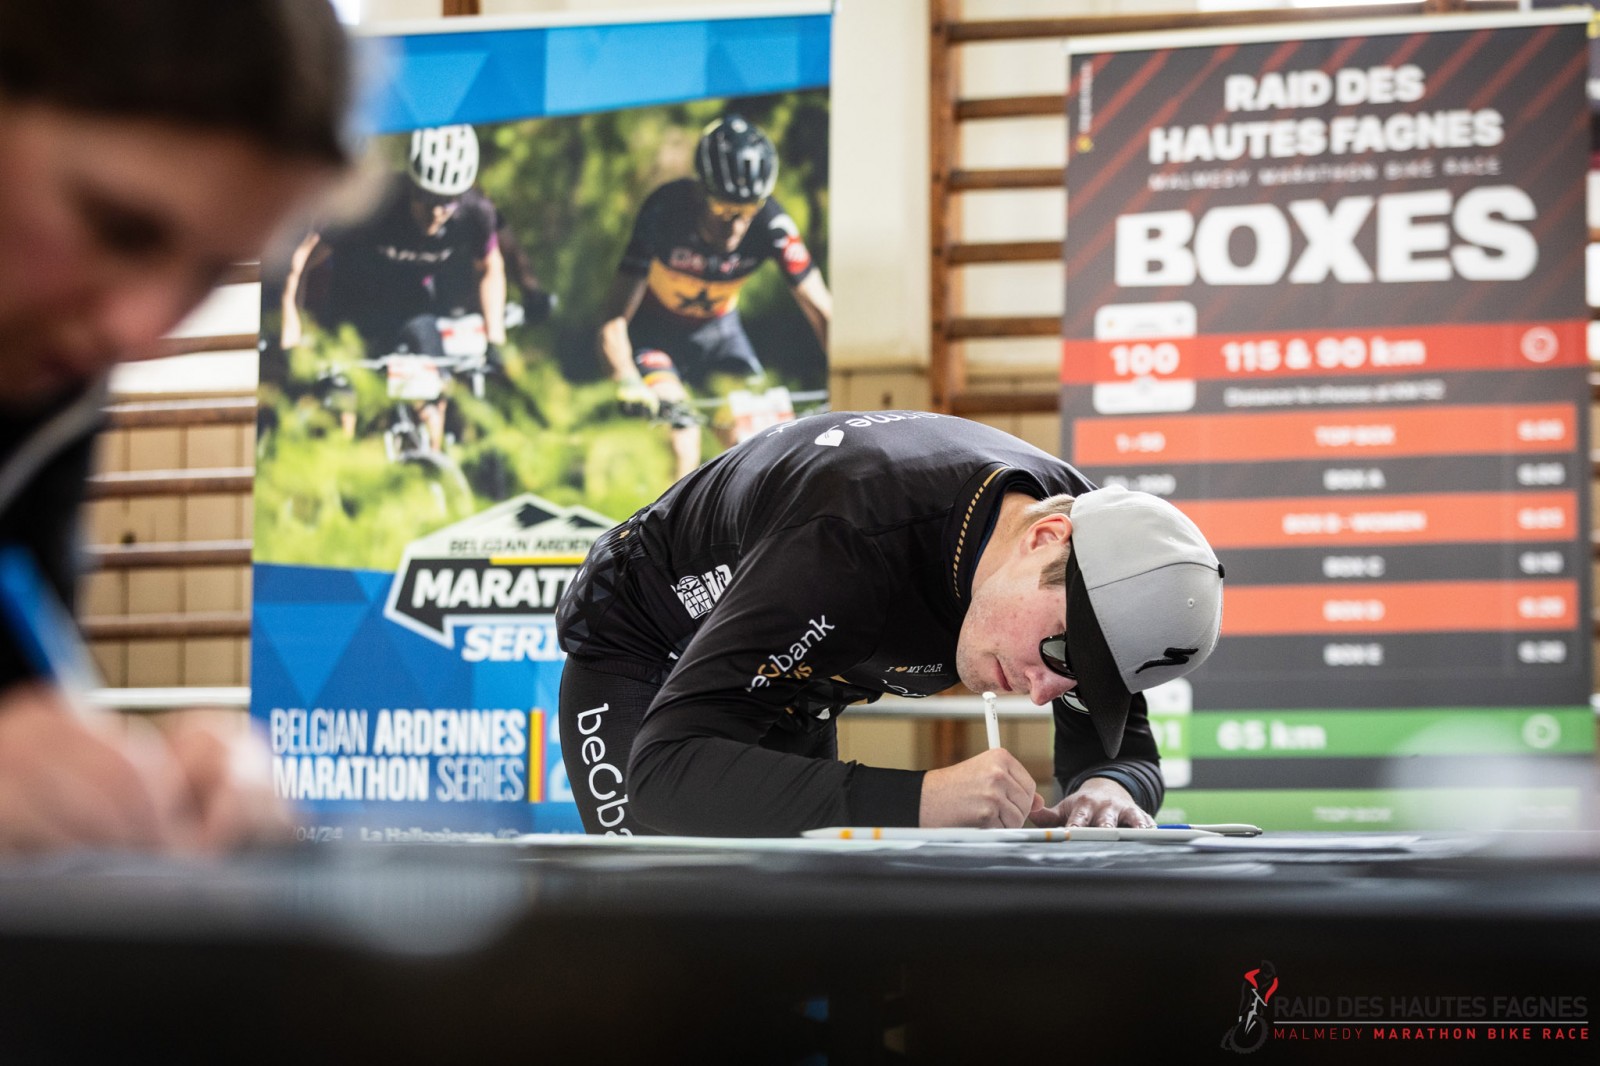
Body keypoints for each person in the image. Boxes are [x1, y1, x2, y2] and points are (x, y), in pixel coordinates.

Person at [0, 0, 353, 851]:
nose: (143, 332)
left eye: (209, 271)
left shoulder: (48, 391)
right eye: (117, 227)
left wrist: (169, 787)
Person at [555, 410, 1224, 837]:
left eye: (1080, 680)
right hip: (651, 638)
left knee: (778, 939)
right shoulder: (845, 547)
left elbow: (1127, 754)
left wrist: (1104, 792)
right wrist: (922, 800)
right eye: (1057, 651)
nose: (1046, 692)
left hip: (803, 667)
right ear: (1043, 537)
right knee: (656, 920)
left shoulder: (1103, 561)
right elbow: (664, 780)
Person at [597, 114, 832, 481]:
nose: (736, 225)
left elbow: (823, 311)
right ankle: (668, 536)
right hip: (656, 338)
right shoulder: (664, 211)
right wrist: (625, 377)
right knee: (684, 438)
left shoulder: (772, 223)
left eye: (748, 210)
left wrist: (848, 375)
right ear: (699, 193)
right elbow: (614, 319)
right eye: (723, 209)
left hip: (721, 336)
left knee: (753, 441)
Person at [280, 124, 520, 454]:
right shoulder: (377, 203)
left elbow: (491, 268)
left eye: (447, 202)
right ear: (410, 185)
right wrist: (292, 335)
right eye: (426, 199)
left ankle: (430, 466)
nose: (436, 212)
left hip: (413, 306)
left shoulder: (475, 212)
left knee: (433, 399)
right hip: (353, 303)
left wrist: (495, 339)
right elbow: (300, 261)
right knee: (343, 415)